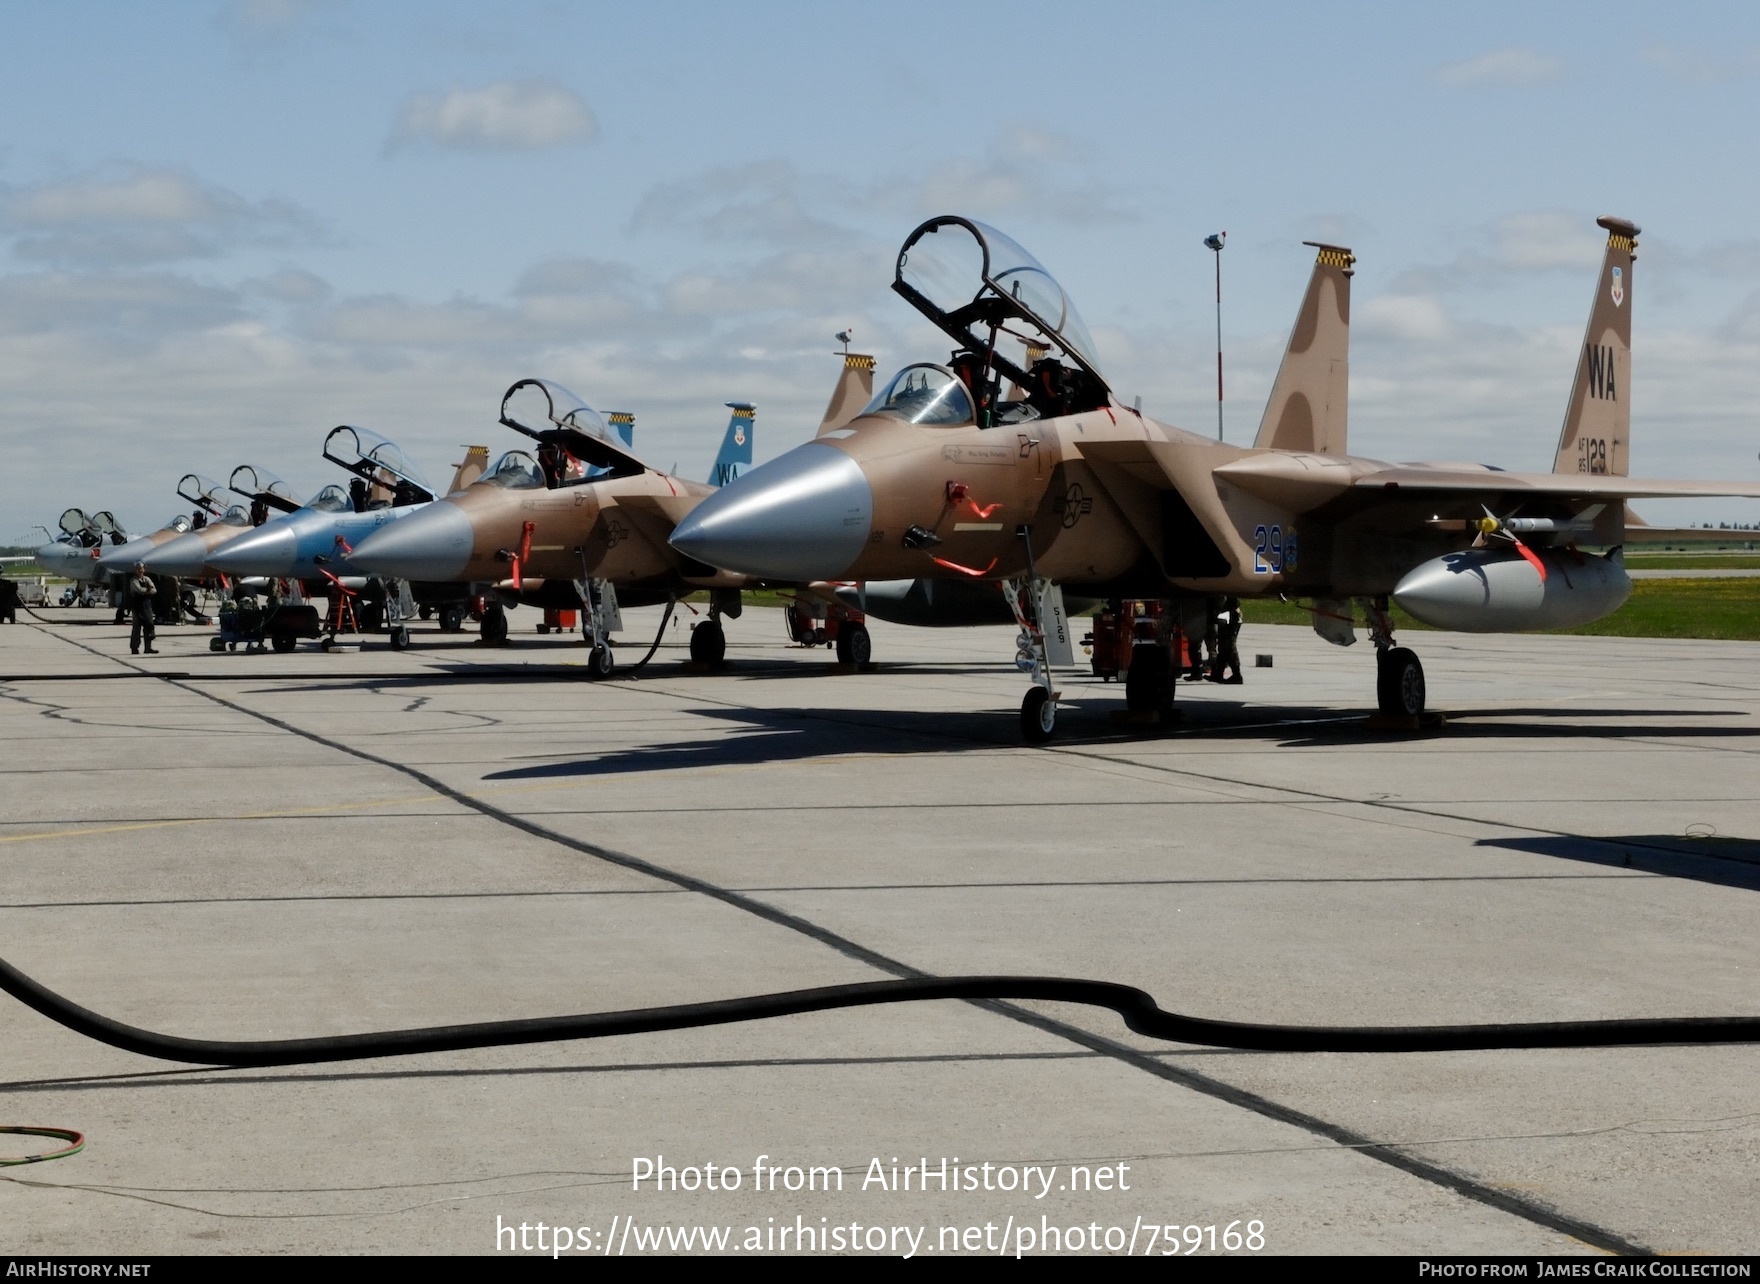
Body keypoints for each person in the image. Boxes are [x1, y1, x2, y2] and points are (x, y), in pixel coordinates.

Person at [128, 562, 158, 654]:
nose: (140, 571)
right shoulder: (133, 581)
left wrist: (147, 591)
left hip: (146, 606)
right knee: (137, 628)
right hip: (137, 607)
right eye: (138, 569)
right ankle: (134, 648)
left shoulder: (147, 579)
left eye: (141, 568)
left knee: (149, 625)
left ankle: (148, 647)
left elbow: (154, 590)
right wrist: (148, 590)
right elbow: (139, 590)